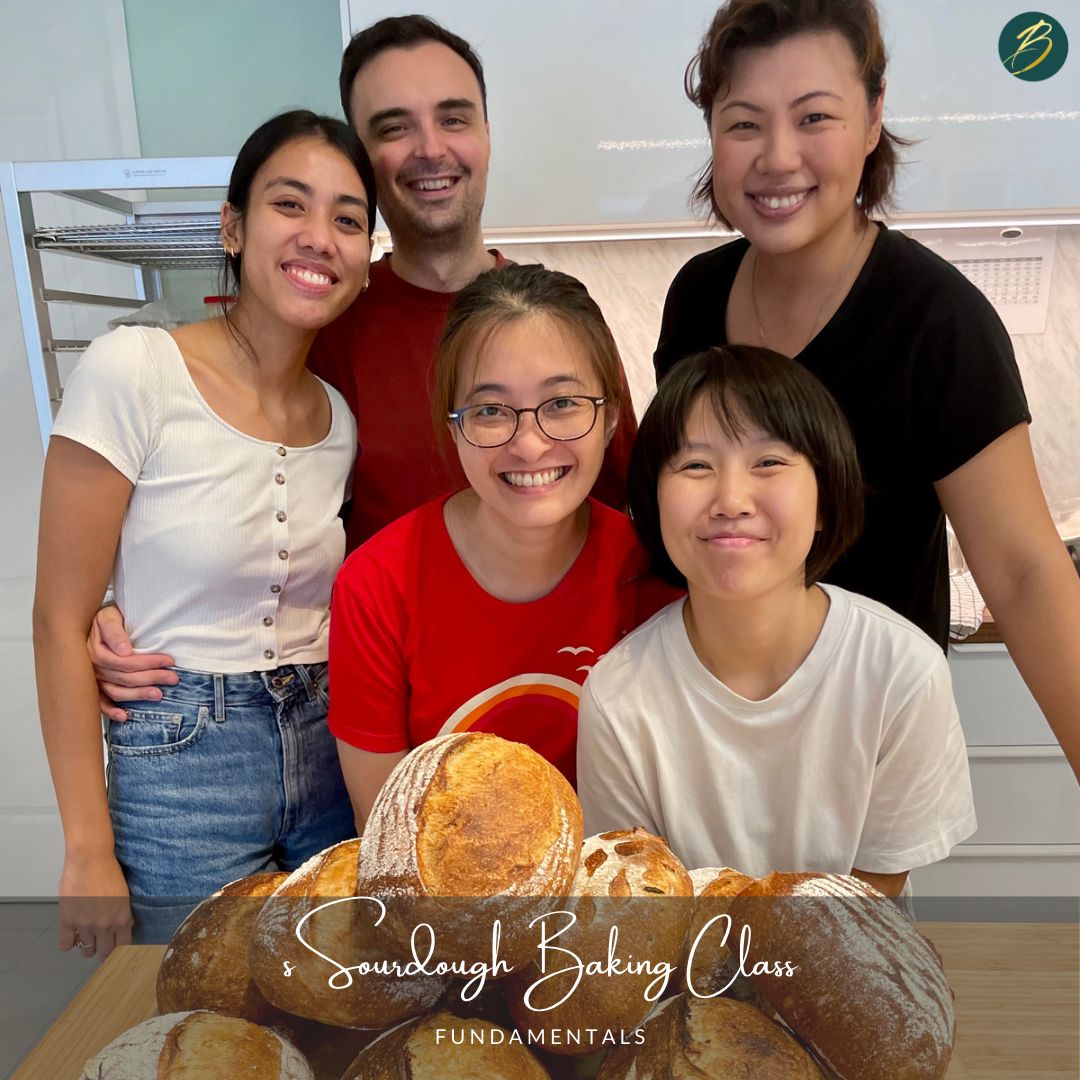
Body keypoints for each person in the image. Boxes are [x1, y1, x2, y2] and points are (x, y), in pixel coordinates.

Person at [89, 14, 639, 717]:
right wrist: (119, 609)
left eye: (454, 117)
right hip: (379, 722)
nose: (430, 148)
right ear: (363, 162)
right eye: (393, 127)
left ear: (488, 136)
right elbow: (249, 530)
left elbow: (634, 515)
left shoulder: (559, 325)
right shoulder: (325, 333)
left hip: (573, 700)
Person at [652, 0, 1080, 781]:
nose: (779, 157)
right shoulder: (695, 299)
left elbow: (1024, 570)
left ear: (874, 117)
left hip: (859, 749)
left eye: (815, 117)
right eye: (744, 123)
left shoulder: (935, 320)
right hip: (706, 732)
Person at [32, 111, 377, 955]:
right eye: (289, 205)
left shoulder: (338, 419)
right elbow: (57, 620)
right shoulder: (135, 368)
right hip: (180, 753)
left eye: (348, 218)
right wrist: (86, 851)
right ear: (233, 226)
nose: (319, 237)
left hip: (325, 743)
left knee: (323, 997)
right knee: (184, 1010)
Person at [577, 348, 977, 895]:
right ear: (652, 501)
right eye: (696, 465)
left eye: (768, 462)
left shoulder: (901, 673)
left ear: (824, 502)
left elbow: (874, 889)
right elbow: (641, 901)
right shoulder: (618, 694)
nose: (732, 499)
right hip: (683, 977)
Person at [328, 264, 677, 826]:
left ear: (610, 417)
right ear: (452, 424)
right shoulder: (376, 585)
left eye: (563, 403)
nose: (531, 444)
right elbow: (387, 831)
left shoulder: (655, 570)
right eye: (490, 411)